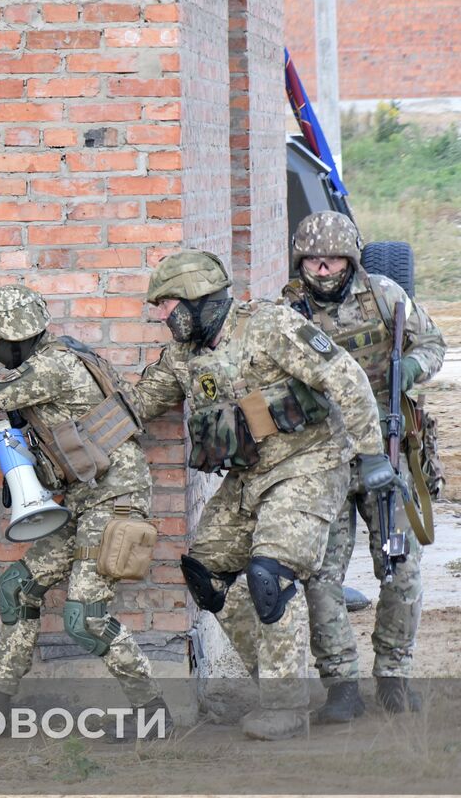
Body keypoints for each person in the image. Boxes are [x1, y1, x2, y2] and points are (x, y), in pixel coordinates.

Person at [131, 249, 390, 740]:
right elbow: (138, 406)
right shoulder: (184, 357)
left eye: (165, 304)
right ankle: (283, 683)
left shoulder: (270, 327)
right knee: (206, 571)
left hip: (308, 463)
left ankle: (286, 706)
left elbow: (347, 378)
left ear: (196, 298)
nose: (159, 315)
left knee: (269, 574)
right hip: (250, 477)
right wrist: (70, 424)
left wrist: (372, 454)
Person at [0, 285, 170, 731]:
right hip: (87, 499)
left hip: (114, 498)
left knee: (85, 617)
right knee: (18, 587)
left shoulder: (53, 365)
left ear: (19, 335)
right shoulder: (57, 357)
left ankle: (152, 713)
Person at [280, 212, 447, 720]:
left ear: (350, 259)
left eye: (331, 259)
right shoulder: (287, 312)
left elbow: (433, 345)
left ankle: (394, 676)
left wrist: (408, 370)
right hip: (322, 459)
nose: (322, 268)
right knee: (321, 576)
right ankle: (340, 686)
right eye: (312, 259)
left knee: (400, 568)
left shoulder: (385, 297)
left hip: (387, 449)